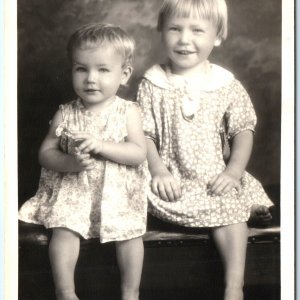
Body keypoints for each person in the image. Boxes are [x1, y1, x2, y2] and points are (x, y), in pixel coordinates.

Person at [136, 0, 274, 299]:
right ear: (161, 31)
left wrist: (233, 171)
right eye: (175, 28)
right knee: (132, 193)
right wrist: (158, 170)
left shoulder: (225, 84)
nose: (185, 39)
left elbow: (243, 130)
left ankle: (234, 286)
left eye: (197, 30)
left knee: (230, 205)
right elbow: (142, 134)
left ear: (218, 36)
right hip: (169, 172)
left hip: (213, 174)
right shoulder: (152, 82)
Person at [19, 23, 147, 300]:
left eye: (102, 70)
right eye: (81, 69)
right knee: (64, 229)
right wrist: (71, 164)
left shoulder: (129, 111)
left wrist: (101, 146)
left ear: (124, 75)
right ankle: (65, 292)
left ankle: (130, 293)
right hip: (74, 191)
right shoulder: (65, 113)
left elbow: (139, 153)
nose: (90, 78)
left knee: (130, 233)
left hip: (117, 193)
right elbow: (46, 153)